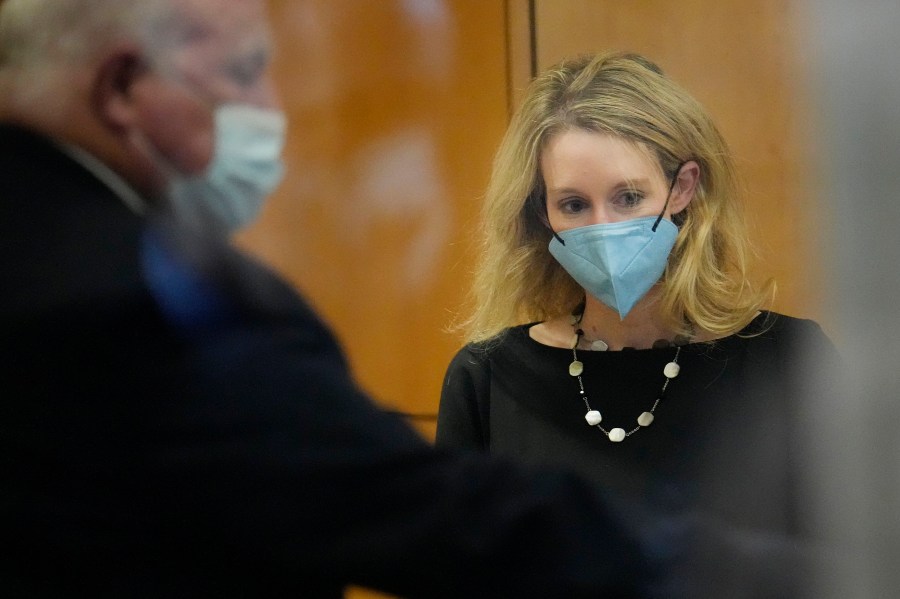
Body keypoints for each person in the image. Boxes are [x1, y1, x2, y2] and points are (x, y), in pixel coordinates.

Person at [0, 2, 663, 597]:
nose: (272, 110)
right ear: (121, 87)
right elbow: (424, 513)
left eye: (628, 197)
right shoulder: (142, 303)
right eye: (242, 71)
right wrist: (730, 573)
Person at [436, 51, 838, 595]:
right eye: (574, 205)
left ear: (683, 188)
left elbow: (854, 565)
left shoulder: (789, 361)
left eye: (628, 197)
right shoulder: (486, 379)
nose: (603, 227)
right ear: (541, 214)